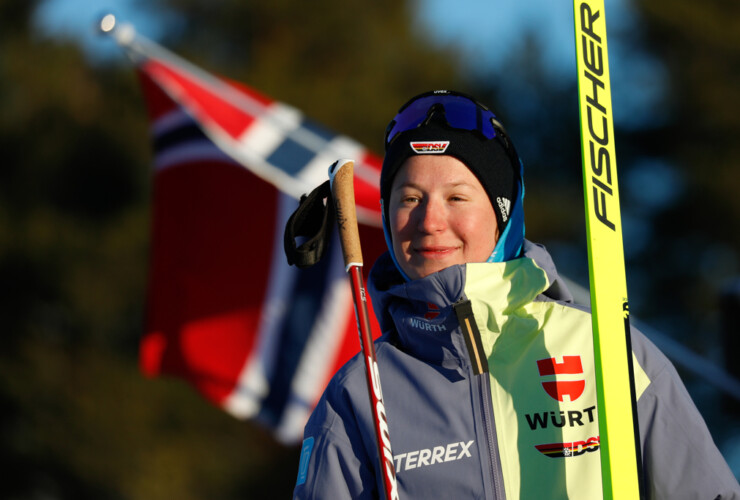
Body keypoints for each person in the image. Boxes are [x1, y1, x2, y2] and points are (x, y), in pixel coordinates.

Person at [292, 90, 740, 499]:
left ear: (502, 212)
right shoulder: (361, 395)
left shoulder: (603, 351)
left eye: (457, 198)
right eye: (409, 198)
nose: (429, 221)